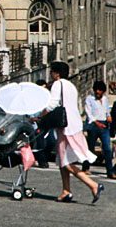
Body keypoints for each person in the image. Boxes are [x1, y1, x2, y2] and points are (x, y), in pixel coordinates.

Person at [41, 61, 103, 203]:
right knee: (63, 159)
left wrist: (40, 116)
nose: (50, 74)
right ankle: (66, 190)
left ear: (57, 73)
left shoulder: (58, 84)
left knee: (65, 162)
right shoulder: (71, 86)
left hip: (66, 127)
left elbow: (53, 103)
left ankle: (93, 185)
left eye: (52, 71)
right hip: (74, 124)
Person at [84, 80, 116, 179]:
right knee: (90, 147)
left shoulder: (105, 99)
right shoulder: (89, 99)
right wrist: (97, 123)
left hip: (104, 125)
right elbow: (88, 113)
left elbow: (107, 110)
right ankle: (86, 167)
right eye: (96, 90)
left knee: (107, 148)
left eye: (100, 90)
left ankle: (110, 171)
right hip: (94, 125)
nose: (98, 92)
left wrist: (109, 116)